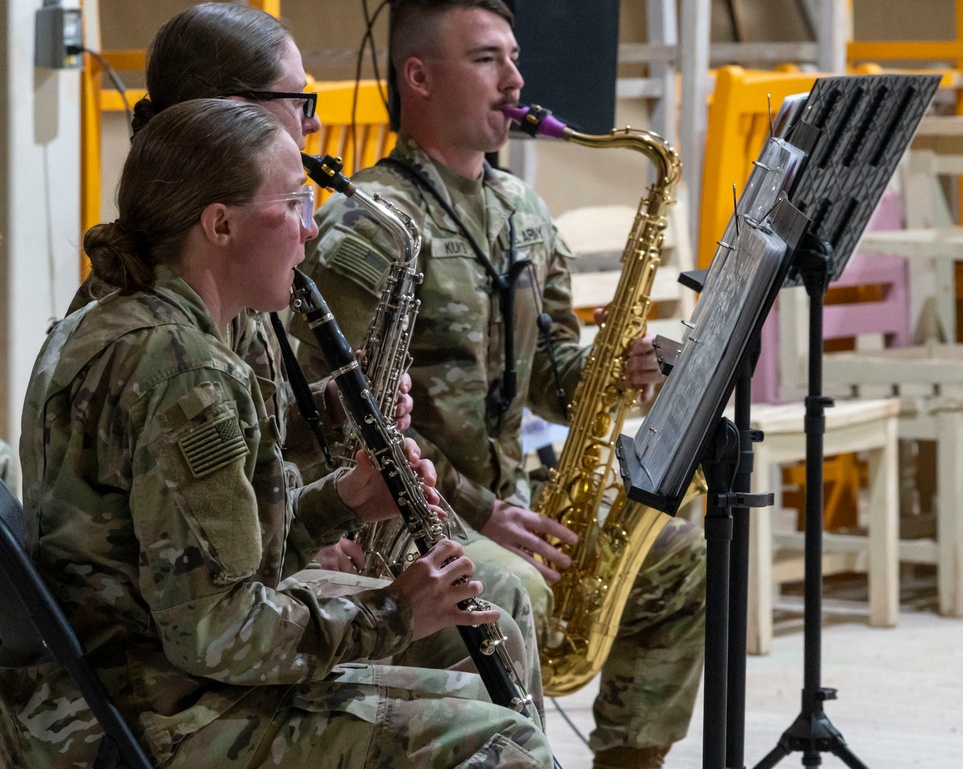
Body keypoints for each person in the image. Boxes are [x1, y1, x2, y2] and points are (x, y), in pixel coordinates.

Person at [0, 99, 552, 769]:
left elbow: (197, 555)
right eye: (293, 205)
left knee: (480, 700)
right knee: (507, 742)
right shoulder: (183, 372)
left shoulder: (111, 320)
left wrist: (343, 499)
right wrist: (399, 612)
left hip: (118, 689)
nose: (311, 230)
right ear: (221, 224)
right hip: (159, 716)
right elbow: (217, 633)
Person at [293, 2, 707, 767]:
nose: (515, 78)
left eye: (512, 57)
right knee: (514, 587)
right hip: (406, 521)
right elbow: (339, 418)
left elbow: (553, 370)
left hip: (514, 504)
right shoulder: (368, 223)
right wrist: (486, 512)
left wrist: (618, 365)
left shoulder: (525, 210)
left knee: (677, 553)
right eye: (486, 59)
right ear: (418, 77)